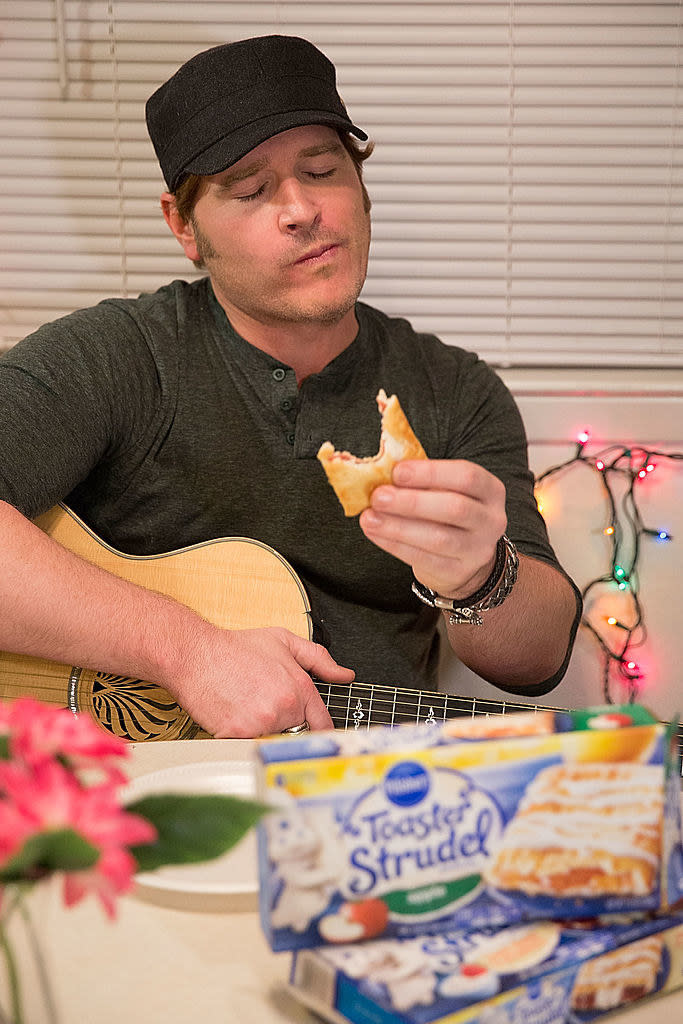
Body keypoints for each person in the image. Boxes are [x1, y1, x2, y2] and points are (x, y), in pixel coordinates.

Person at [0, 35, 581, 739]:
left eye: (323, 169)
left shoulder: (453, 388)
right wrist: (187, 651)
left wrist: (479, 578)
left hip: (373, 795)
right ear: (183, 226)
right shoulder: (122, 355)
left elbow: (536, 657)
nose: (302, 208)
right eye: (250, 189)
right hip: (142, 804)